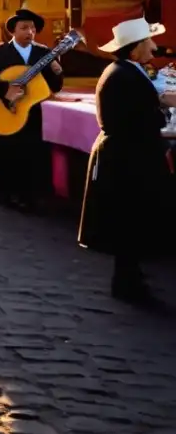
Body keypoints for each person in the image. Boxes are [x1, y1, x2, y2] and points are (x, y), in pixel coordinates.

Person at [78, 18, 176, 306]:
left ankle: (130, 278)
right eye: (149, 42)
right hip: (128, 157)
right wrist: (162, 114)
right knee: (130, 220)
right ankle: (128, 283)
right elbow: (145, 117)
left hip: (127, 154)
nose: (155, 47)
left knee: (129, 221)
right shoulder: (126, 75)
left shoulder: (123, 71)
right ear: (134, 49)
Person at [0, 8, 63, 210]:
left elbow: (54, 86)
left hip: (34, 112)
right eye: (24, 28)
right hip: (8, 111)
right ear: (13, 31)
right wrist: (5, 90)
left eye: (32, 28)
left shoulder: (44, 53)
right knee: (9, 153)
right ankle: (7, 194)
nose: (29, 32)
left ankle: (31, 196)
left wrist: (58, 73)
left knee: (34, 154)